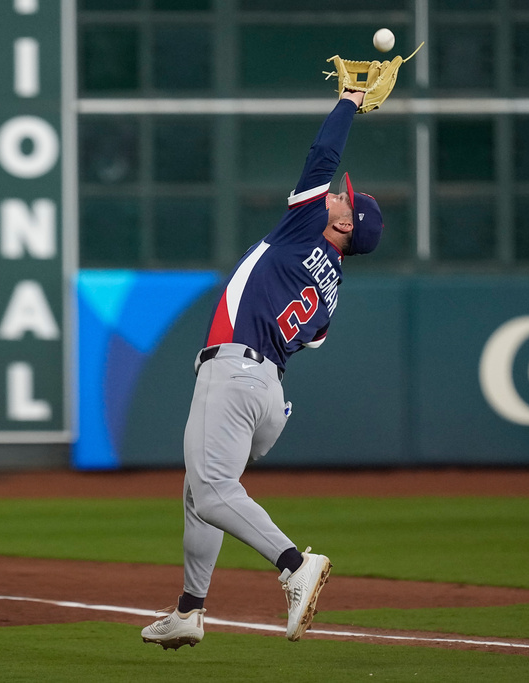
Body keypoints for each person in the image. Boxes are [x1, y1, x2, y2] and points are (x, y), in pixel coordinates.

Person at [141, 88, 383, 649]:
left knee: (212, 491)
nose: (336, 198)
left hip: (236, 372)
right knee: (200, 491)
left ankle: (295, 564)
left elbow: (319, 157)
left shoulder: (302, 230)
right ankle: (189, 609)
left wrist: (347, 103)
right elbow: (313, 338)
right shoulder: (334, 288)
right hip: (268, 394)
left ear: (345, 229)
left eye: (344, 203)